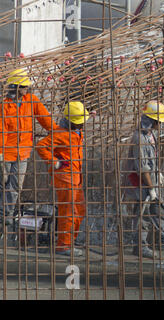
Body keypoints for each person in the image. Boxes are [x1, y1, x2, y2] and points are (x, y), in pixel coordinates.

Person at [0, 68, 57, 227]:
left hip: (23, 152)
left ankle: (6, 215)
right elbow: (1, 131)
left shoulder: (31, 100)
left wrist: (58, 133)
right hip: (6, 153)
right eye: (24, 86)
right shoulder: (4, 105)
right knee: (3, 184)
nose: (26, 89)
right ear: (16, 86)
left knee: (15, 185)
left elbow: (45, 119)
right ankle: (3, 215)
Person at [36, 101, 90, 256]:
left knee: (80, 210)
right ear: (70, 121)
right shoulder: (61, 133)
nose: (81, 125)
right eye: (79, 123)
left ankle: (69, 241)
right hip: (65, 179)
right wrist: (55, 162)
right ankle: (64, 246)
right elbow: (41, 146)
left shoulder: (76, 132)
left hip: (75, 178)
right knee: (69, 211)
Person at [124, 100, 164, 258]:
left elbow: (153, 159)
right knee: (142, 216)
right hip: (141, 182)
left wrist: (158, 174)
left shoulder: (151, 134)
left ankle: (163, 240)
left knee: (159, 211)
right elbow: (142, 168)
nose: (160, 124)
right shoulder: (140, 138)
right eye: (159, 121)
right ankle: (140, 246)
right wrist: (151, 188)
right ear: (152, 120)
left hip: (152, 178)